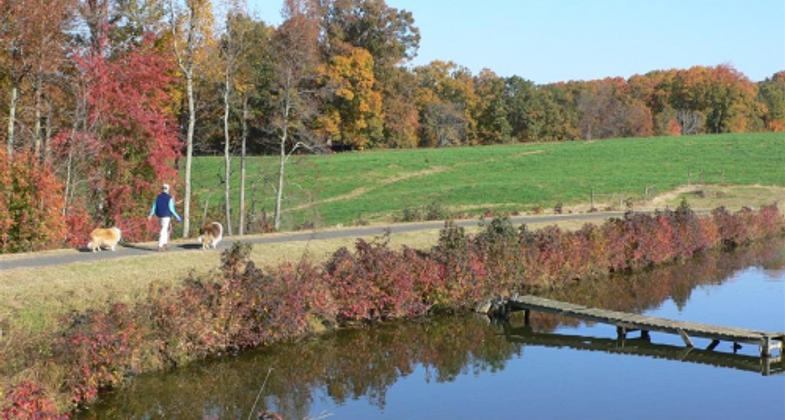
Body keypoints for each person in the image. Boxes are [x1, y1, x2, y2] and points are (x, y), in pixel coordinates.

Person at [147, 183, 182, 251]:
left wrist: (150, 215)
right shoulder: (169, 198)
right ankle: (160, 245)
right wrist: (177, 217)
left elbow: (154, 207)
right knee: (163, 229)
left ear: (162, 189)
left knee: (165, 229)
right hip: (166, 216)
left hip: (159, 215)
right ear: (168, 190)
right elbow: (172, 209)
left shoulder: (158, 197)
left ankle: (165, 244)